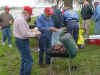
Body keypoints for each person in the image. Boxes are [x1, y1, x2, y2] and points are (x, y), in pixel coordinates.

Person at [14, 6, 40, 75]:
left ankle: (22, 73)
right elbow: (24, 34)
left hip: (21, 40)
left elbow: (24, 30)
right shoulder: (21, 20)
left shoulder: (20, 18)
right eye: (30, 15)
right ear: (26, 13)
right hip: (22, 41)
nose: (30, 17)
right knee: (29, 60)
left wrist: (31, 30)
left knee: (24, 59)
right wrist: (35, 34)